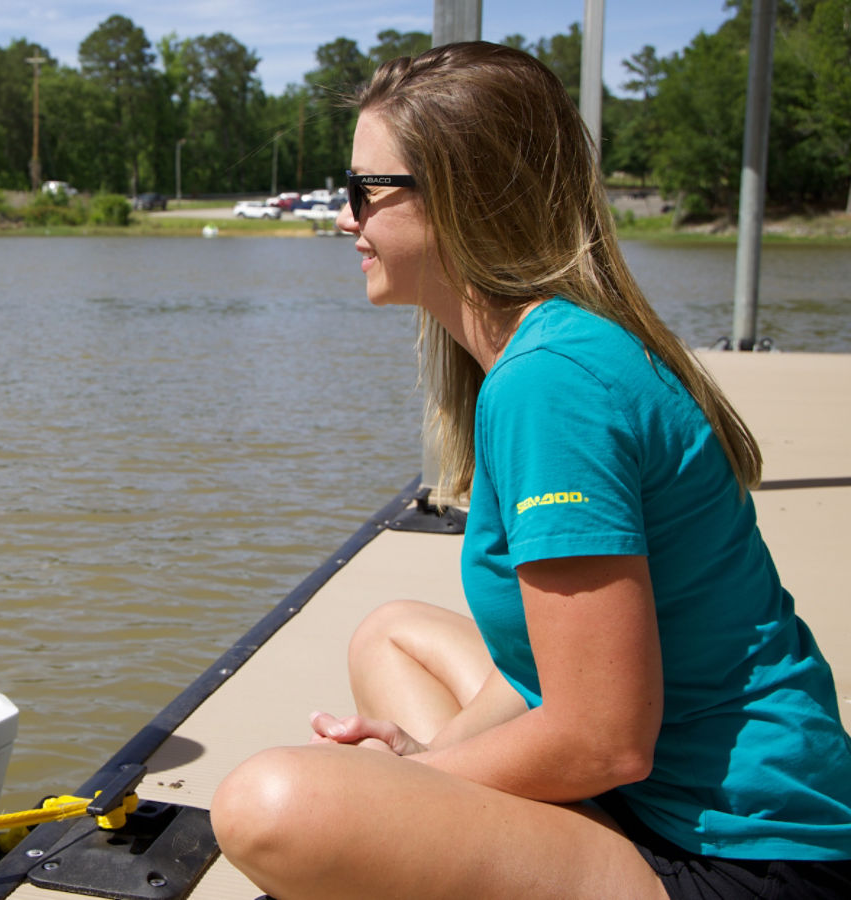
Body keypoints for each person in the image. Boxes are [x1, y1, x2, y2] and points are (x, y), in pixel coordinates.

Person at [210, 42, 851, 900]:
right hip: (661, 800)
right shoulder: (543, 351)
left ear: (463, 195)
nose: (344, 219)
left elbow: (604, 739)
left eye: (366, 191)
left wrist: (405, 792)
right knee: (393, 633)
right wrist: (429, 769)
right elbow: (549, 677)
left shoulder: (550, 385)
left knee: (272, 804)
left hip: (745, 859)